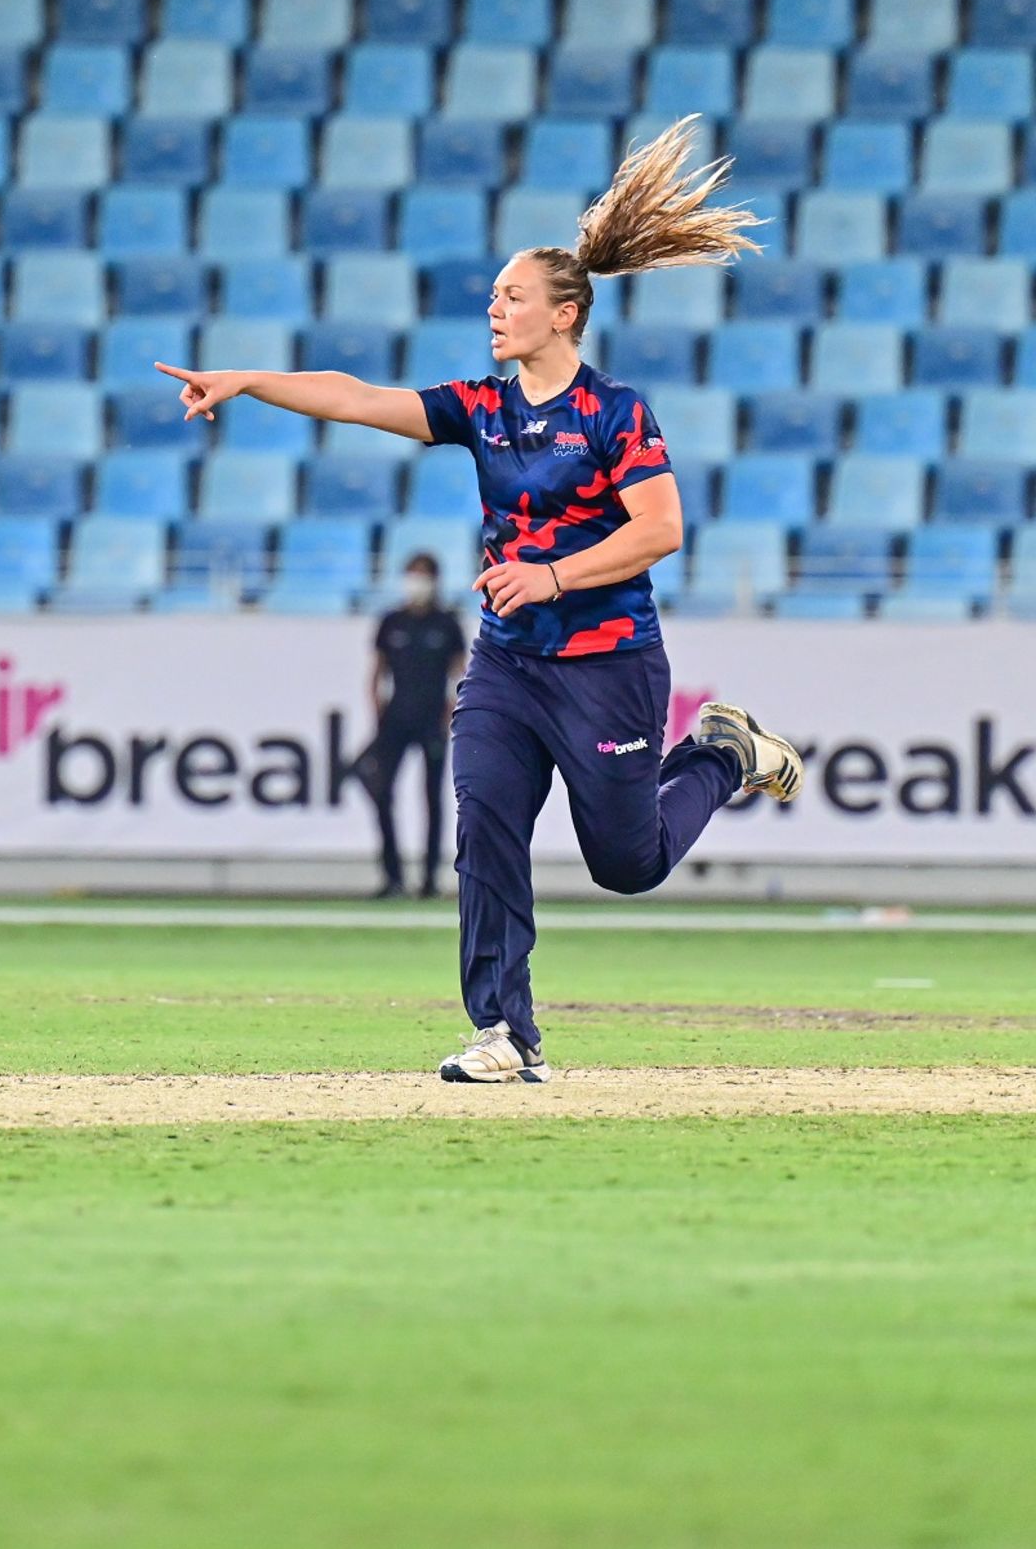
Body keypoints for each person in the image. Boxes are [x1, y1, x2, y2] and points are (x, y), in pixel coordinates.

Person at [155, 117, 805, 1087]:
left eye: (512, 296)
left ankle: (723, 749)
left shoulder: (615, 413)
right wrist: (249, 380)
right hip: (506, 662)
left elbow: (661, 528)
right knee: (484, 826)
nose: (494, 309)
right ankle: (505, 1031)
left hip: (609, 663)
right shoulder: (483, 408)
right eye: (494, 296)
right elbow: (354, 395)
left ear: (565, 314)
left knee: (627, 863)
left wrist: (551, 573)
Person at [357, 551, 466, 900]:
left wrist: (452, 711)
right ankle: (392, 876)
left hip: (431, 718)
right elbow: (376, 673)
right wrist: (377, 712)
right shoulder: (392, 621)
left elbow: (460, 673)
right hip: (396, 718)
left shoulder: (446, 623)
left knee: (432, 799)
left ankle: (430, 879)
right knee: (381, 790)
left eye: (422, 575)